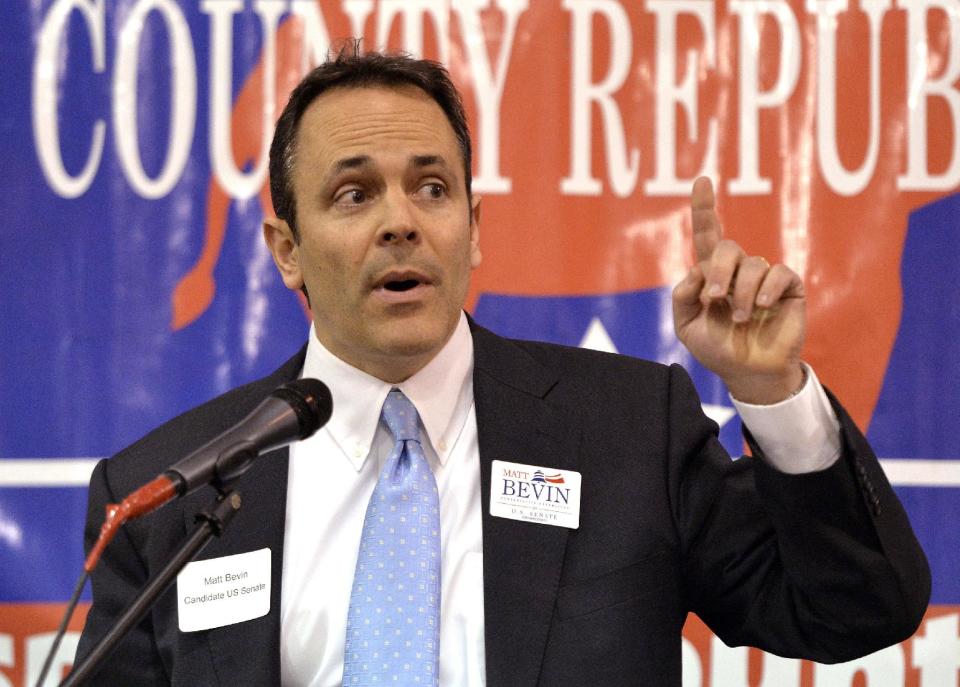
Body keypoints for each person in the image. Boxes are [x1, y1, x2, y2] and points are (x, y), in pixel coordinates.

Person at [76, 46, 930, 686]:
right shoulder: (164, 494)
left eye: (433, 188)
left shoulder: (630, 431)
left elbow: (856, 609)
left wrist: (772, 391)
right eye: (354, 193)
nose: (402, 221)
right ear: (287, 249)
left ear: (475, 230)